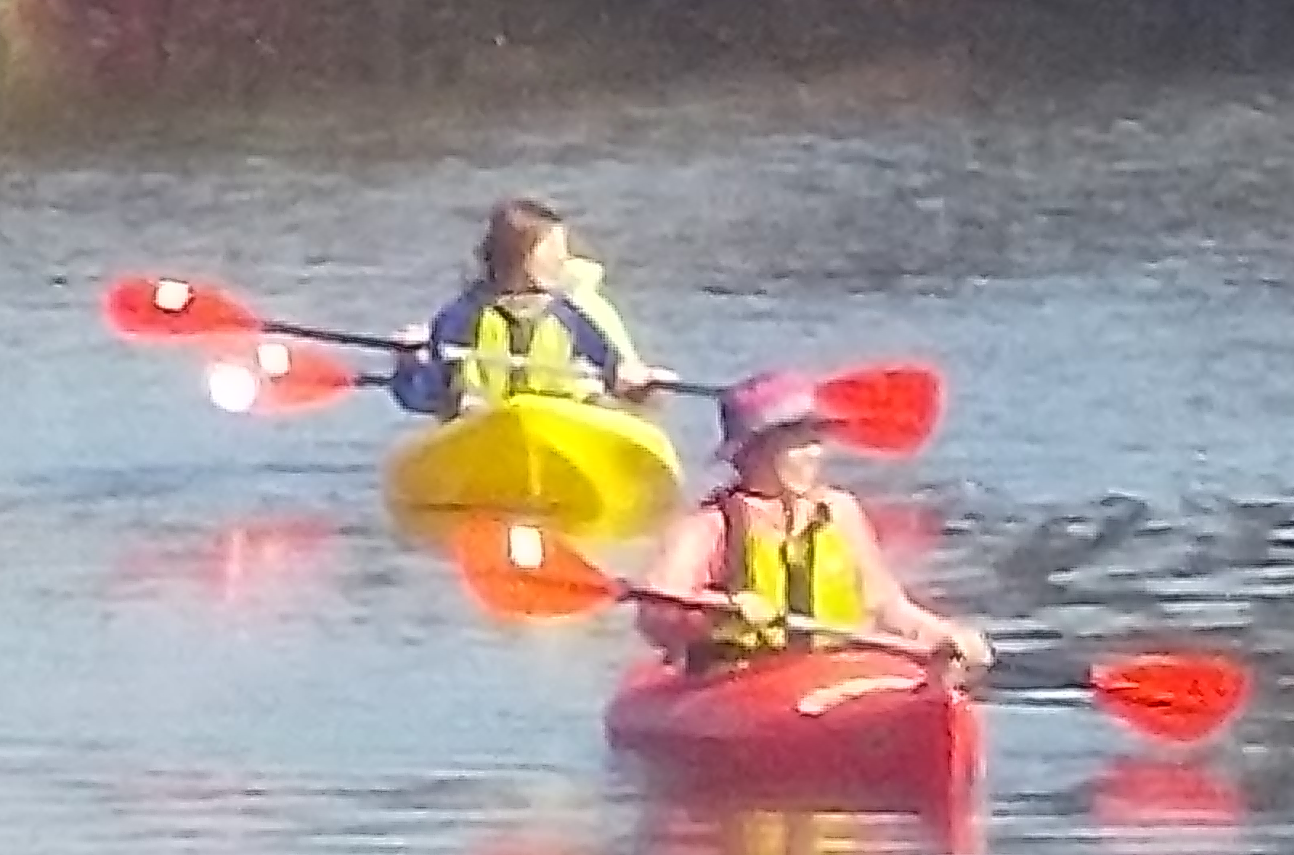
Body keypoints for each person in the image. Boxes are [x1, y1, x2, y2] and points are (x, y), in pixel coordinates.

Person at [637, 370, 992, 676]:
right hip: (739, 678)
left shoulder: (840, 511)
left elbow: (887, 607)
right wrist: (719, 611)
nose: (814, 455)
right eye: (796, 443)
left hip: (829, 672)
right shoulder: (711, 524)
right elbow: (653, 614)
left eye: (816, 441)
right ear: (749, 450)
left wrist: (944, 634)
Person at [394, 196, 656, 417]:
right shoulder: (463, 318)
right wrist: (408, 363)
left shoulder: (568, 318)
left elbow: (613, 371)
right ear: (519, 256)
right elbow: (424, 395)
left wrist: (637, 383)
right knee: (466, 397)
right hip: (483, 426)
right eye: (553, 249)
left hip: (563, 426)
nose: (563, 258)